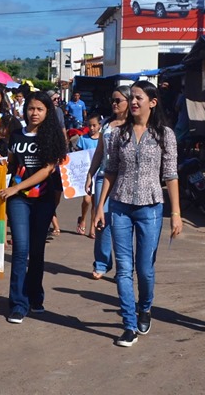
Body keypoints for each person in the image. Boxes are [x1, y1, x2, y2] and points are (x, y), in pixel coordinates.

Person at [92, 80, 181, 348]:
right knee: (123, 269)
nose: (132, 102)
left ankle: (145, 308)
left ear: (152, 102)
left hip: (151, 208)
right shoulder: (119, 134)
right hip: (119, 207)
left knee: (144, 269)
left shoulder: (165, 135)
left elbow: (171, 175)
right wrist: (100, 207)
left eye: (138, 98)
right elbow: (111, 171)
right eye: (130, 98)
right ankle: (129, 325)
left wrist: (176, 212)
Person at [0, 91, 67, 324]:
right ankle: (18, 303)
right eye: (31, 108)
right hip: (18, 200)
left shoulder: (53, 137)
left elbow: (47, 170)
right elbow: (12, 162)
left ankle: (35, 296)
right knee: (20, 250)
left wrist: (17, 188)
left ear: (47, 112)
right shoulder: (16, 135)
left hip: (43, 199)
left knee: (37, 252)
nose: (34, 113)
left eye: (39, 109)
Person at [84, 86, 131, 279]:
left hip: (125, 179)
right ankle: (102, 262)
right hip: (103, 177)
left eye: (118, 100)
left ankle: (124, 268)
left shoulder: (134, 125)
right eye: (112, 100)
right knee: (100, 220)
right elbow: (99, 152)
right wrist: (90, 173)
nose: (114, 104)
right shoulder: (106, 125)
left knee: (122, 224)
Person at [74, 113, 102, 236]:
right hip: (86, 174)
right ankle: (83, 219)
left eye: (94, 125)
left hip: (99, 173)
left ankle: (92, 227)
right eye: (89, 126)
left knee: (96, 202)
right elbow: (78, 155)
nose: (91, 128)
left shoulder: (102, 138)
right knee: (86, 200)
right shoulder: (83, 139)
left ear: (99, 126)